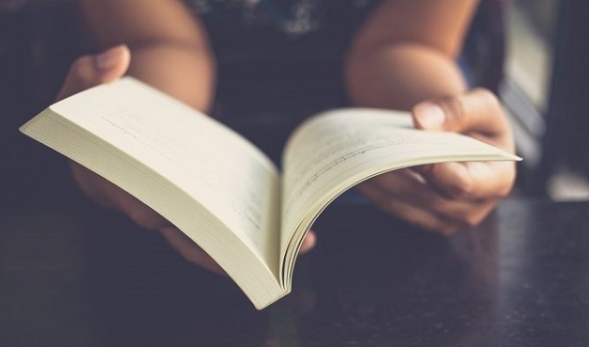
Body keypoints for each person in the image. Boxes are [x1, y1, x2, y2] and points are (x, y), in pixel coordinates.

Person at [56, 0, 516, 273]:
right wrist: (134, 140)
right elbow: (160, 42)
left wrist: (447, 140)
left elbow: (408, 44)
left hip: (383, 199)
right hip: (182, 206)